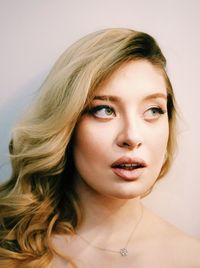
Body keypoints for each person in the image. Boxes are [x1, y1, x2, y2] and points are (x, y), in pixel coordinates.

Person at [0, 28, 200, 268]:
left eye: (153, 110)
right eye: (104, 110)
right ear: (67, 123)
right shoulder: (8, 242)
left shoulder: (190, 258)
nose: (132, 137)